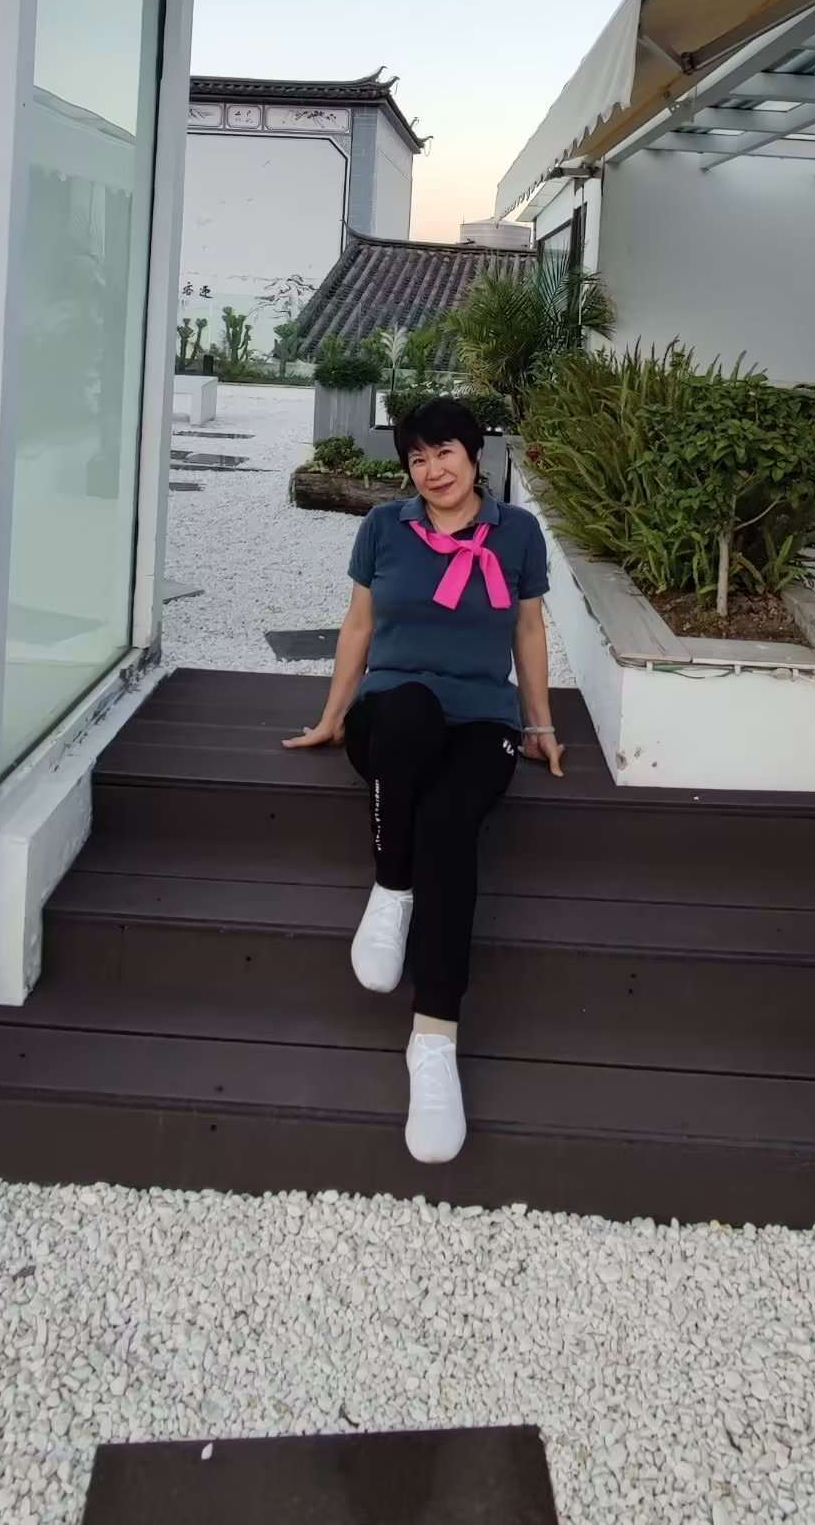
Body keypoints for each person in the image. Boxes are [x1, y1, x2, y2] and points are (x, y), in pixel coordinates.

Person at [284, 395, 565, 1165]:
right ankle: (391, 888)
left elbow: (529, 629)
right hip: (391, 718)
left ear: (475, 455)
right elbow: (359, 627)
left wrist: (539, 726)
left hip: (482, 719)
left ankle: (433, 1043)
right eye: (417, 457)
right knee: (409, 711)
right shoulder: (384, 527)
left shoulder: (517, 533)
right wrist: (331, 716)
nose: (433, 470)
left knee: (449, 825)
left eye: (445, 452)